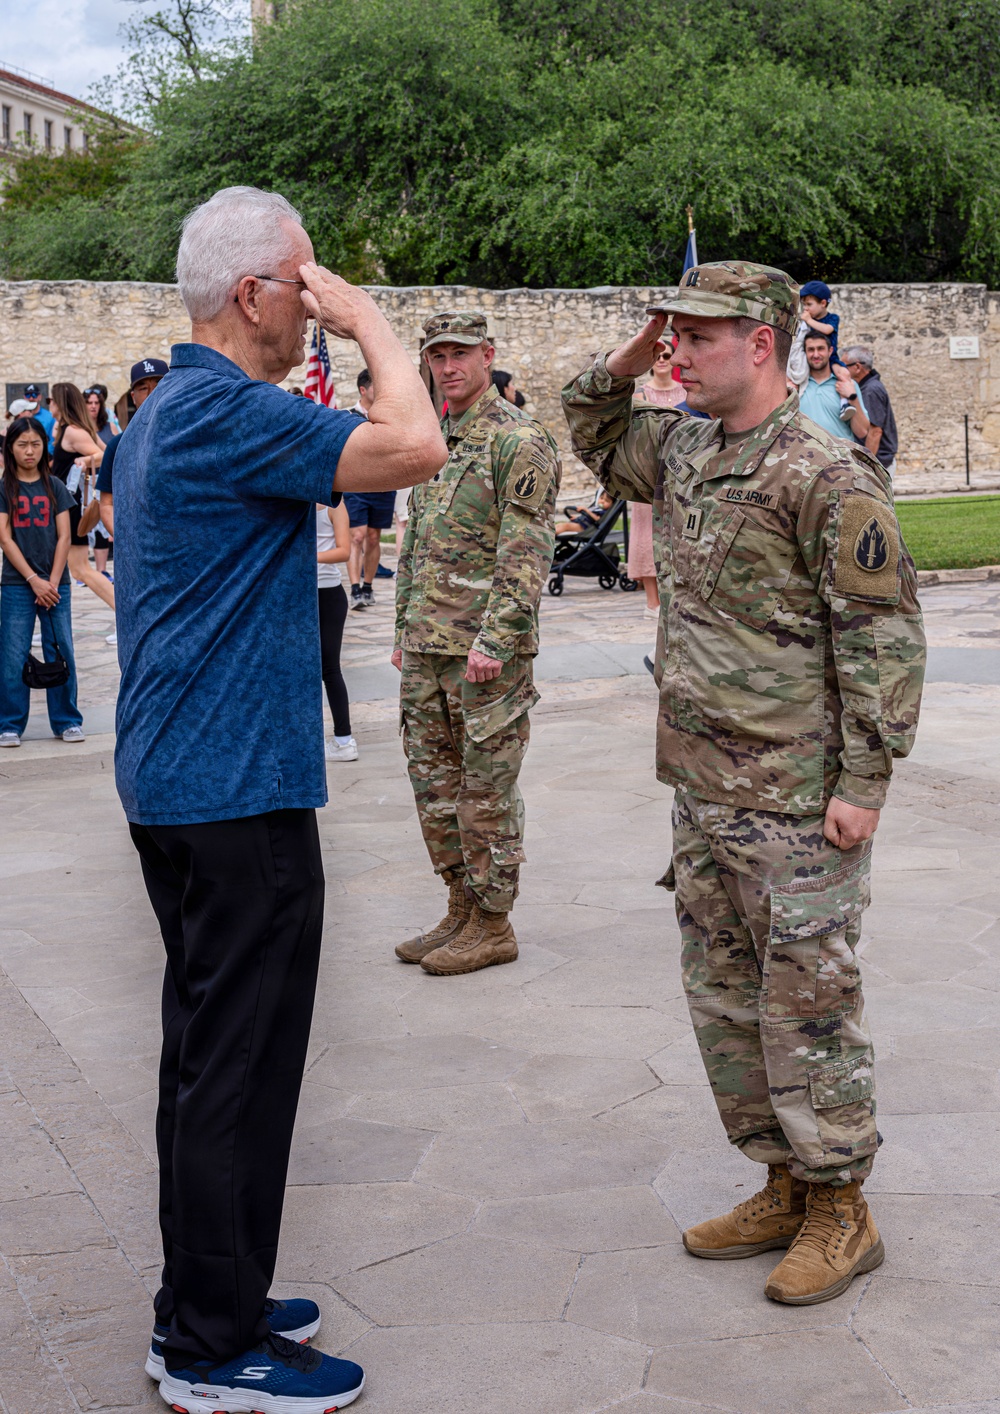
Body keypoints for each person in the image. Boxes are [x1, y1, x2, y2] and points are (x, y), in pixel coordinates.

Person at [113, 185, 445, 1411]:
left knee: (212, 1060)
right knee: (236, 1068)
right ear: (252, 293)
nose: (315, 303)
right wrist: (373, 325)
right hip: (229, 789)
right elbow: (415, 448)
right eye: (304, 282)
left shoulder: (170, 408)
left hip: (192, 781)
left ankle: (210, 1299)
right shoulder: (223, 409)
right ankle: (211, 1347)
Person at [562, 261, 925, 1307]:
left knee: (809, 1008)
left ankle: (841, 1205)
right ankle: (782, 1181)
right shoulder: (684, 448)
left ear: (761, 343)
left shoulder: (826, 473)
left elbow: (884, 639)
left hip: (799, 804)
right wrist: (640, 343)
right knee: (726, 1005)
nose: (677, 354)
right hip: (705, 791)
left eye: (697, 336)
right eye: (672, 336)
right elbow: (590, 424)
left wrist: (864, 782)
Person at [393, 309, 560, 976]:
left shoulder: (518, 439)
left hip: (482, 655)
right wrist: (404, 629)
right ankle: (461, 908)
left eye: (460, 353)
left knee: (484, 792)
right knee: (435, 788)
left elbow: (526, 551)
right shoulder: (434, 438)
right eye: (437, 356)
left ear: (487, 355)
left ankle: (493, 925)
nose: (448, 366)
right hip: (428, 645)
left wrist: (496, 639)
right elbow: (415, 542)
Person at [0, 416, 84, 747]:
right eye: (22, 445)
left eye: (35, 444)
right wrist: (34, 580)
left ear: (44, 447)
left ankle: (67, 720)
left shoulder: (55, 486)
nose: (29, 451)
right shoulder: (4, 488)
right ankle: (9, 723)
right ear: (10, 448)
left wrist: (51, 581)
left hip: (56, 584)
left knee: (60, 649)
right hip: (18, 584)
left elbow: (65, 537)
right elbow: (4, 538)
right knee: (13, 653)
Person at [48, 382, 116, 611]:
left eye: (52, 400)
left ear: (60, 402)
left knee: (80, 569)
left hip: (70, 506)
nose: (49, 404)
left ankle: (123, 611)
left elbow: (104, 454)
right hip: (64, 505)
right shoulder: (68, 428)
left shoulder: (73, 431)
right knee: (66, 567)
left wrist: (86, 460)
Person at [631, 349, 686, 615]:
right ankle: (652, 602)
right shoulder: (640, 395)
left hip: (681, 469)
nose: (662, 360)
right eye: (657, 356)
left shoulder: (686, 391)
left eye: (666, 355)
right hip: (649, 471)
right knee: (645, 532)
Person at [94, 359, 169, 540]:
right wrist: (127, 541)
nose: (152, 393)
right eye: (143, 388)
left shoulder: (189, 438)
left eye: (159, 384)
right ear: (133, 397)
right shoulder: (118, 446)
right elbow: (107, 503)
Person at [343, 367, 395, 607]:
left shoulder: (390, 417)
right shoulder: (348, 416)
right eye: (376, 386)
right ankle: (355, 589)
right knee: (357, 536)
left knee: (373, 538)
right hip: (356, 487)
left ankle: (368, 586)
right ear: (363, 390)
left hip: (382, 486)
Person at [317, 495, 358, 761]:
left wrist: (305, 557)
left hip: (327, 594)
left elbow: (344, 551)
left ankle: (344, 741)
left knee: (330, 668)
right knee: (295, 669)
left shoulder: (335, 504)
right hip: (293, 594)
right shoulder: (288, 499)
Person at [799, 333, 870, 443]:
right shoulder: (797, 386)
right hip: (805, 453)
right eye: (811, 350)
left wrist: (853, 398)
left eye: (820, 349)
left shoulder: (847, 384)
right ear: (805, 353)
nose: (816, 354)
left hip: (840, 453)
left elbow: (862, 432)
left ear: (830, 351)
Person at [843, 345, 899, 473]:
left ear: (857, 367)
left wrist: (866, 468)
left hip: (877, 463)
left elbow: (875, 432)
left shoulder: (870, 390)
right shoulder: (868, 387)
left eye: (844, 366)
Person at [799, 279, 841, 363]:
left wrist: (809, 320)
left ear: (823, 303)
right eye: (804, 304)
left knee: (841, 370)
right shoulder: (807, 322)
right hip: (811, 360)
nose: (805, 308)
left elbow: (827, 329)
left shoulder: (833, 318)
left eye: (809, 304)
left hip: (831, 360)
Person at [23, 384, 55, 451]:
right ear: (24, 397)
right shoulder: (20, 415)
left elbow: (52, 440)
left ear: (39, 397)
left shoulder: (49, 417)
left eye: (34, 395)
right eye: (28, 395)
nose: (31, 398)